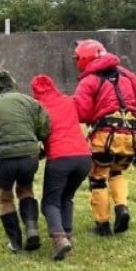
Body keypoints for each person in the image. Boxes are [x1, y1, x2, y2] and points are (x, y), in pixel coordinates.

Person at [72, 39, 136, 237]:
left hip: (104, 137)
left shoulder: (89, 80)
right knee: (117, 172)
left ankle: (102, 225)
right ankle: (122, 206)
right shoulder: (126, 75)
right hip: (131, 135)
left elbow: (82, 112)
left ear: (84, 59)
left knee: (98, 178)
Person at [0, 70, 50, 254]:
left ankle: (15, 242)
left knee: (5, 198)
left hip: (3, 157)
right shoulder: (29, 101)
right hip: (29, 156)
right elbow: (44, 128)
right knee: (26, 190)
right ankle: (31, 228)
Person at [30, 74, 92, 260]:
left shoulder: (38, 107)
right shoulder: (68, 100)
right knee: (67, 196)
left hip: (60, 158)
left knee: (50, 202)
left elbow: (40, 132)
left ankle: (59, 239)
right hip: (83, 157)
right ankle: (67, 233)